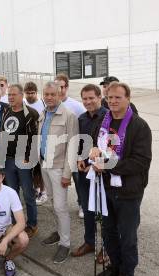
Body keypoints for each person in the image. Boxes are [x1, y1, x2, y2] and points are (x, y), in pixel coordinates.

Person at [89, 82, 151, 276]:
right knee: (108, 231)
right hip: (105, 186)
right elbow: (99, 146)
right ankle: (115, 265)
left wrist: (107, 166)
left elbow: (140, 162)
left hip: (128, 190)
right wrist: (94, 154)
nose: (113, 101)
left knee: (127, 234)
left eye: (118, 97)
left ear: (128, 99)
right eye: (110, 97)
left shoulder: (139, 125)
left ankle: (127, 272)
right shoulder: (104, 122)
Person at [38, 81, 78, 264]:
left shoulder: (68, 115)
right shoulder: (43, 113)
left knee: (61, 207)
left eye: (52, 94)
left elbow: (73, 146)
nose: (49, 97)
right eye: (46, 94)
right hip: (45, 165)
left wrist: (67, 174)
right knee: (53, 203)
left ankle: (65, 243)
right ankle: (59, 232)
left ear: (59, 95)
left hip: (59, 168)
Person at [71, 84, 108, 260]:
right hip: (84, 172)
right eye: (84, 99)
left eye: (91, 98)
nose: (88, 102)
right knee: (88, 209)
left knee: (105, 213)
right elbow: (80, 144)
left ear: (99, 97)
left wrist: (96, 164)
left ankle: (107, 247)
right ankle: (89, 242)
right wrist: (79, 159)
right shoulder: (81, 119)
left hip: (102, 172)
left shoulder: (108, 117)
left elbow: (111, 147)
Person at [0, 84, 39, 239]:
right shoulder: (6, 111)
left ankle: (32, 224)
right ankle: (17, 224)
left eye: (14, 94)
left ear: (21, 95)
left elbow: (35, 138)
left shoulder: (31, 114)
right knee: (12, 193)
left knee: (28, 194)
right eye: (9, 95)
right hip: (8, 160)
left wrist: (29, 158)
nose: (10, 97)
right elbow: (2, 133)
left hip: (24, 161)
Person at [55, 73, 86, 218]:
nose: (59, 90)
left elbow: (84, 125)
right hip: (57, 152)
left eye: (61, 87)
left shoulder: (76, 106)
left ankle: (82, 205)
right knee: (58, 181)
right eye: (57, 86)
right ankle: (60, 207)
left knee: (78, 180)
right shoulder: (50, 104)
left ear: (66, 87)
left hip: (74, 150)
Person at [23, 81, 48, 206]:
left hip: (39, 140)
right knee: (30, 168)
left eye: (32, 93)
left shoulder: (42, 104)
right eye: (28, 93)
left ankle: (43, 192)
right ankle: (35, 188)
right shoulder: (22, 104)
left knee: (40, 168)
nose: (30, 95)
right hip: (26, 142)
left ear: (36, 93)